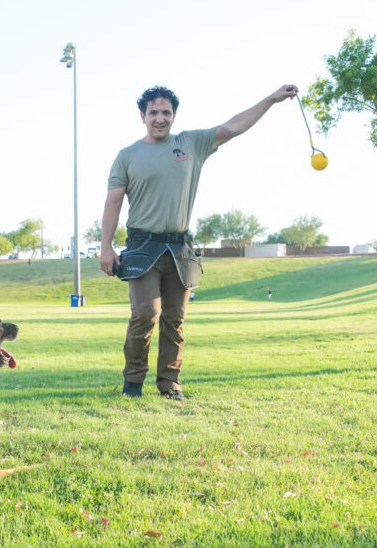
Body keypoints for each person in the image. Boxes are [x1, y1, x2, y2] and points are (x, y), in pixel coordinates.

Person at [99, 83, 298, 400]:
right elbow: (113, 203)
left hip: (180, 247)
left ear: (174, 116)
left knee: (174, 319)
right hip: (141, 246)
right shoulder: (127, 156)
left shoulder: (191, 142)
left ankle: (169, 384)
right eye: (154, 112)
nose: (160, 118)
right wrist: (106, 246)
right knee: (145, 314)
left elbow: (232, 127)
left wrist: (271, 100)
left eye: (166, 112)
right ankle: (132, 383)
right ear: (142, 116)